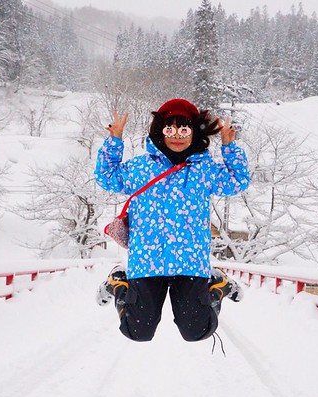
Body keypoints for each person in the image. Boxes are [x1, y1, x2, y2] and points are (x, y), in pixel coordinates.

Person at [94, 98, 250, 342]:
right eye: (170, 129)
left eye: (184, 129)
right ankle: (119, 282)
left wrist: (229, 146)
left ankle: (216, 283)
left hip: (190, 260)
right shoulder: (141, 167)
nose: (177, 136)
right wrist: (115, 140)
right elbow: (107, 177)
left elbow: (237, 181)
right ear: (161, 132)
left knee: (196, 331)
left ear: (193, 133)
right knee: (138, 332)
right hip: (147, 259)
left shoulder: (204, 170)